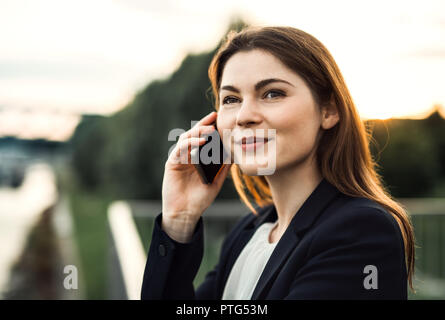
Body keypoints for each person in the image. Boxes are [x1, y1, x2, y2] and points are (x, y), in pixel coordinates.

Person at [140, 26, 415, 300]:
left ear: (329, 110)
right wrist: (179, 219)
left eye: (272, 93)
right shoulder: (249, 231)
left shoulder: (361, 230)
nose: (244, 116)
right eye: (231, 99)